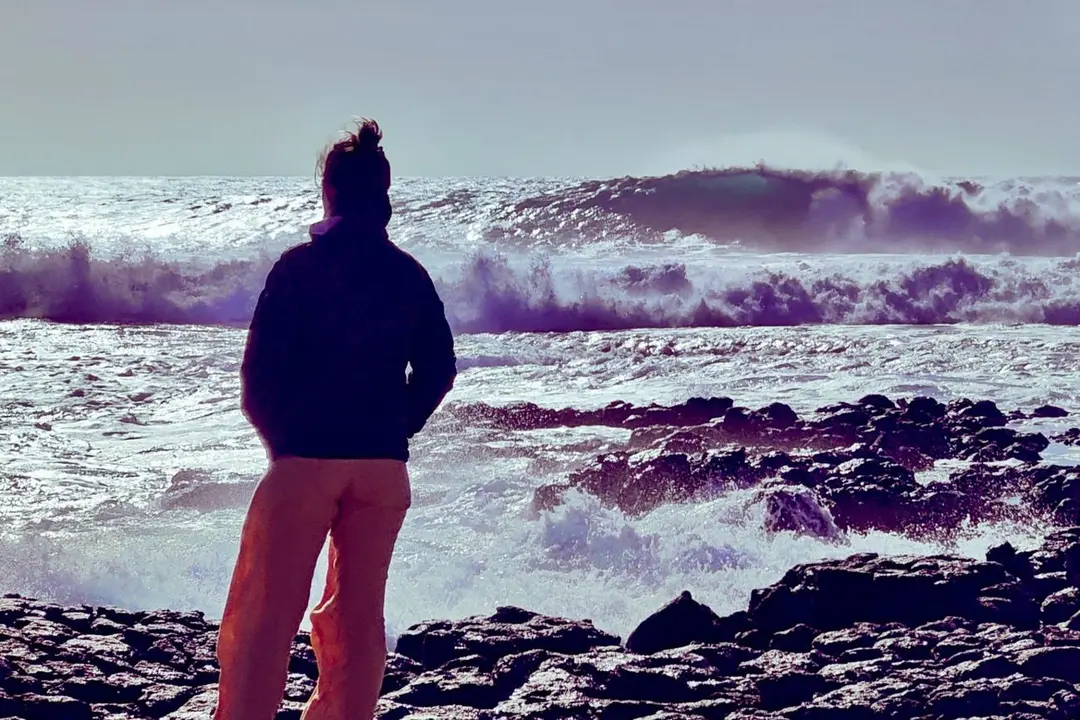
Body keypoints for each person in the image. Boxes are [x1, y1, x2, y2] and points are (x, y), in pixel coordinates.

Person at [213, 119, 457, 720]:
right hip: (381, 468)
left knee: (265, 615)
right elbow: (439, 368)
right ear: (384, 195)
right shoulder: (407, 274)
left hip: (306, 459)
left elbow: (257, 377)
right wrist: (396, 425)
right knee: (357, 616)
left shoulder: (299, 268)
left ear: (329, 191)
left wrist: (282, 443)